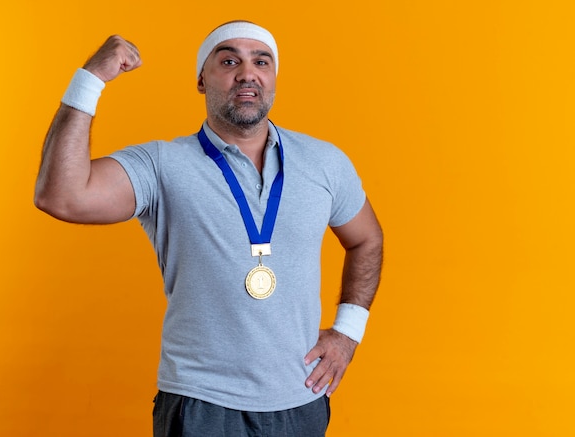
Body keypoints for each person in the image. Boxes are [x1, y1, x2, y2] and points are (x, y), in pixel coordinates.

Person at [35, 20, 383, 437]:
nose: (247, 72)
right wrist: (90, 80)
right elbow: (61, 195)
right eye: (229, 60)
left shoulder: (325, 162)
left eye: (261, 61)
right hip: (200, 405)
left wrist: (347, 333)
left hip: (301, 400)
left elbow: (367, 239)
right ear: (202, 79)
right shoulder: (163, 164)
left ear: (273, 78)